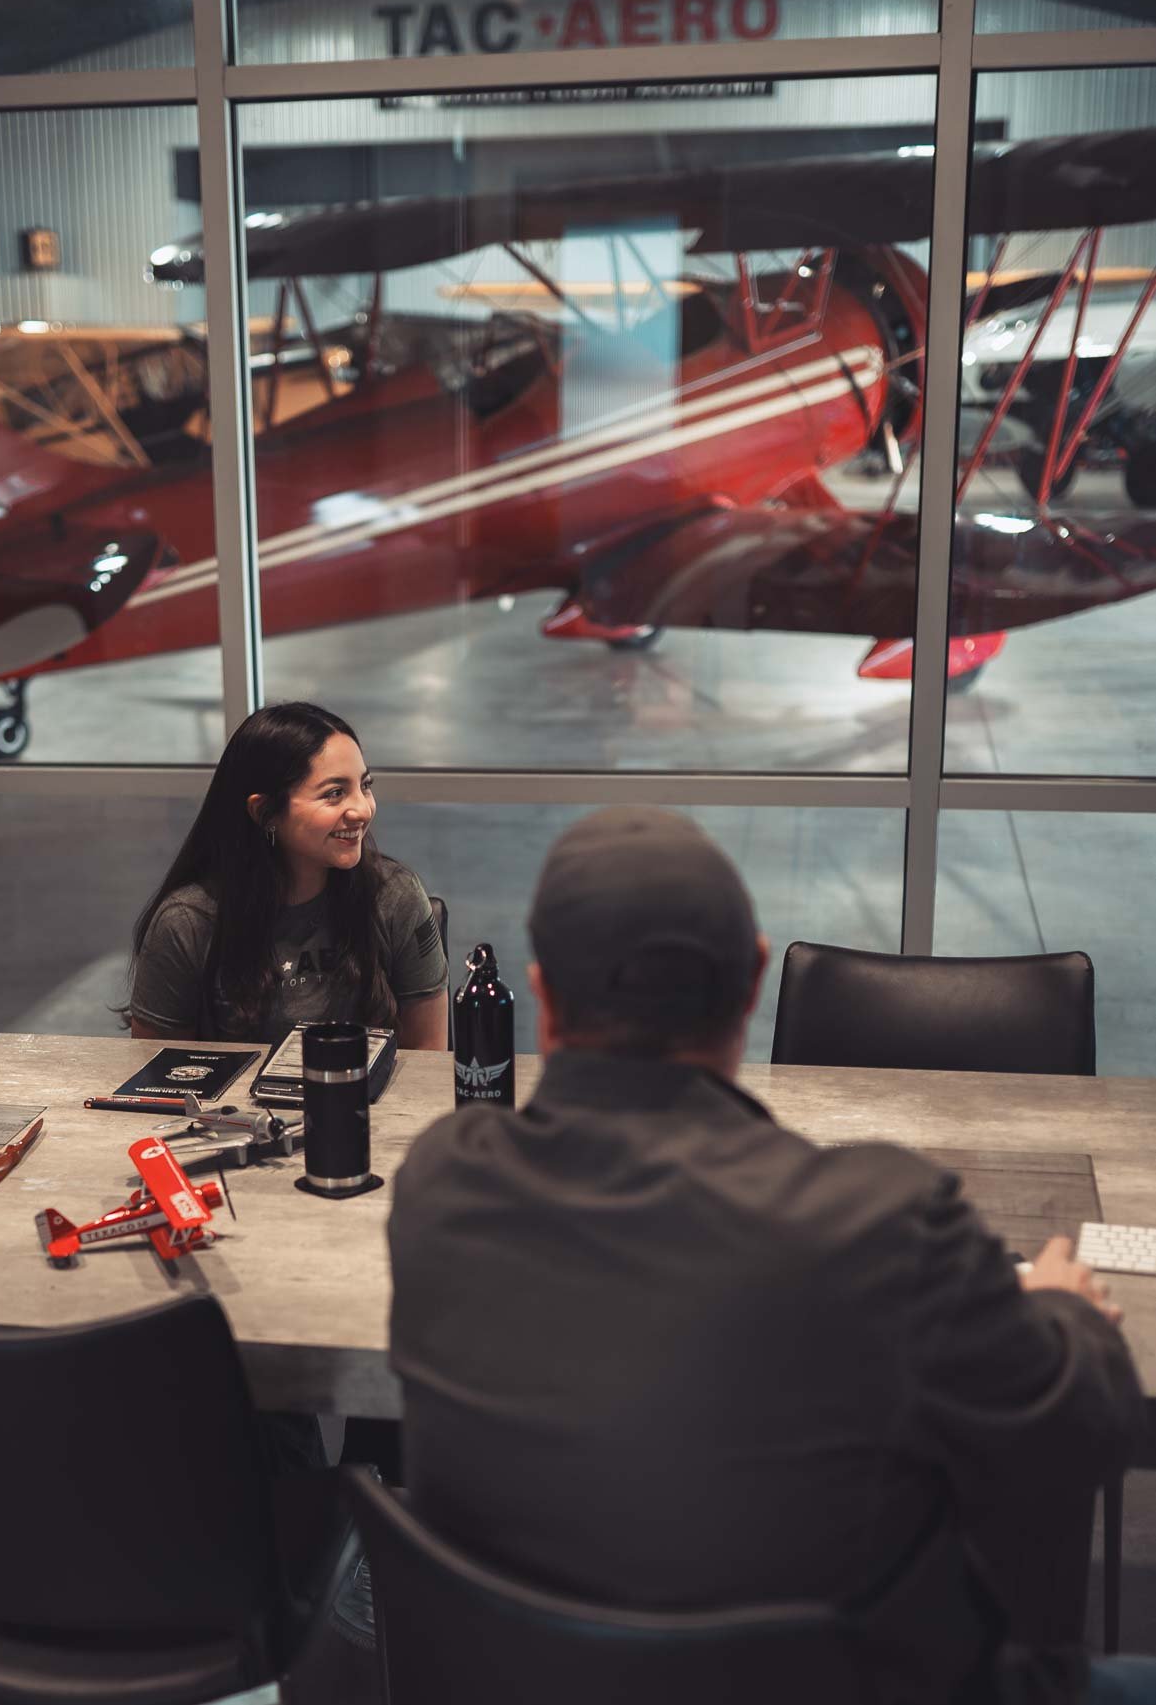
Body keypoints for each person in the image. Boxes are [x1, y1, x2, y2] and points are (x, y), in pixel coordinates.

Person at [389, 807, 1153, 1705]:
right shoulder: (882, 1217)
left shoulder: (439, 1183)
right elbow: (1075, 1424)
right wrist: (1063, 1307)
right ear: (755, 980)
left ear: (544, 999)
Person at [130, 701, 448, 1049]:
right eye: (334, 793)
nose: (362, 809)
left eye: (364, 785)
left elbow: (427, 1069)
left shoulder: (395, 897)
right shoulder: (187, 922)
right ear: (265, 811)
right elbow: (160, 1081)